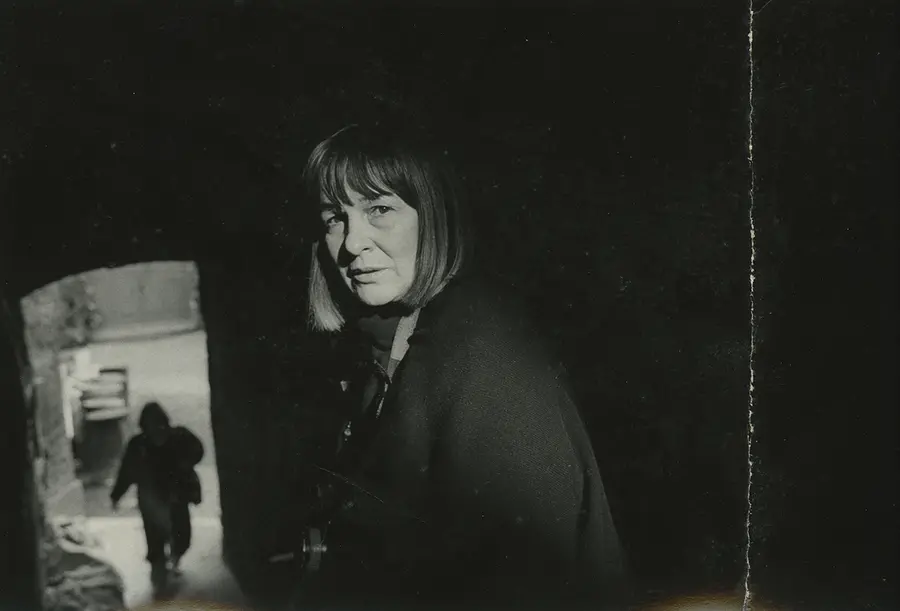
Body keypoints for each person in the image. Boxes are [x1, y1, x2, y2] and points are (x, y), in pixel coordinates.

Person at [286, 119, 631, 610]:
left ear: (437, 216)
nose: (351, 243)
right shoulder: (395, 347)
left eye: (379, 209)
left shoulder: (481, 356)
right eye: (334, 218)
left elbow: (527, 585)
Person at [110, 401, 204, 591]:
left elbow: (198, 450)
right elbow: (126, 471)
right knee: (154, 538)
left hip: (175, 497)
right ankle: (159, 568)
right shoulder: (138, 446)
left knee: (181, 533)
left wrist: (186, 464)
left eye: (160, 426)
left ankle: (175, 557)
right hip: (150, 499)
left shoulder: (180, 438)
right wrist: (117, 494)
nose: (157, 432)